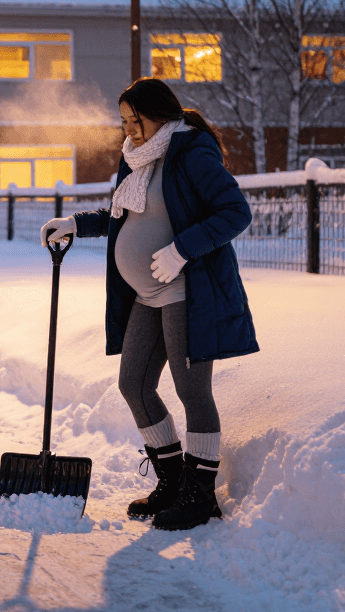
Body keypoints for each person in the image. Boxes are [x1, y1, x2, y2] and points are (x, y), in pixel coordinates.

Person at [39, 78, 258, 531]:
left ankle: (200, 497)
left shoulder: (189, 150)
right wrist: (76, 225)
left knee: (191, 390)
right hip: (147, 294)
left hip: (186, 291)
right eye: (122, 120)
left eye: (132, 119)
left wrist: (182, 249)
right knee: (133, 383)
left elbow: (235, 210)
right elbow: (123, 217)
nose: (126, 128)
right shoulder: (136, 159)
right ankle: (173, 481)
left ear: (157, 114)